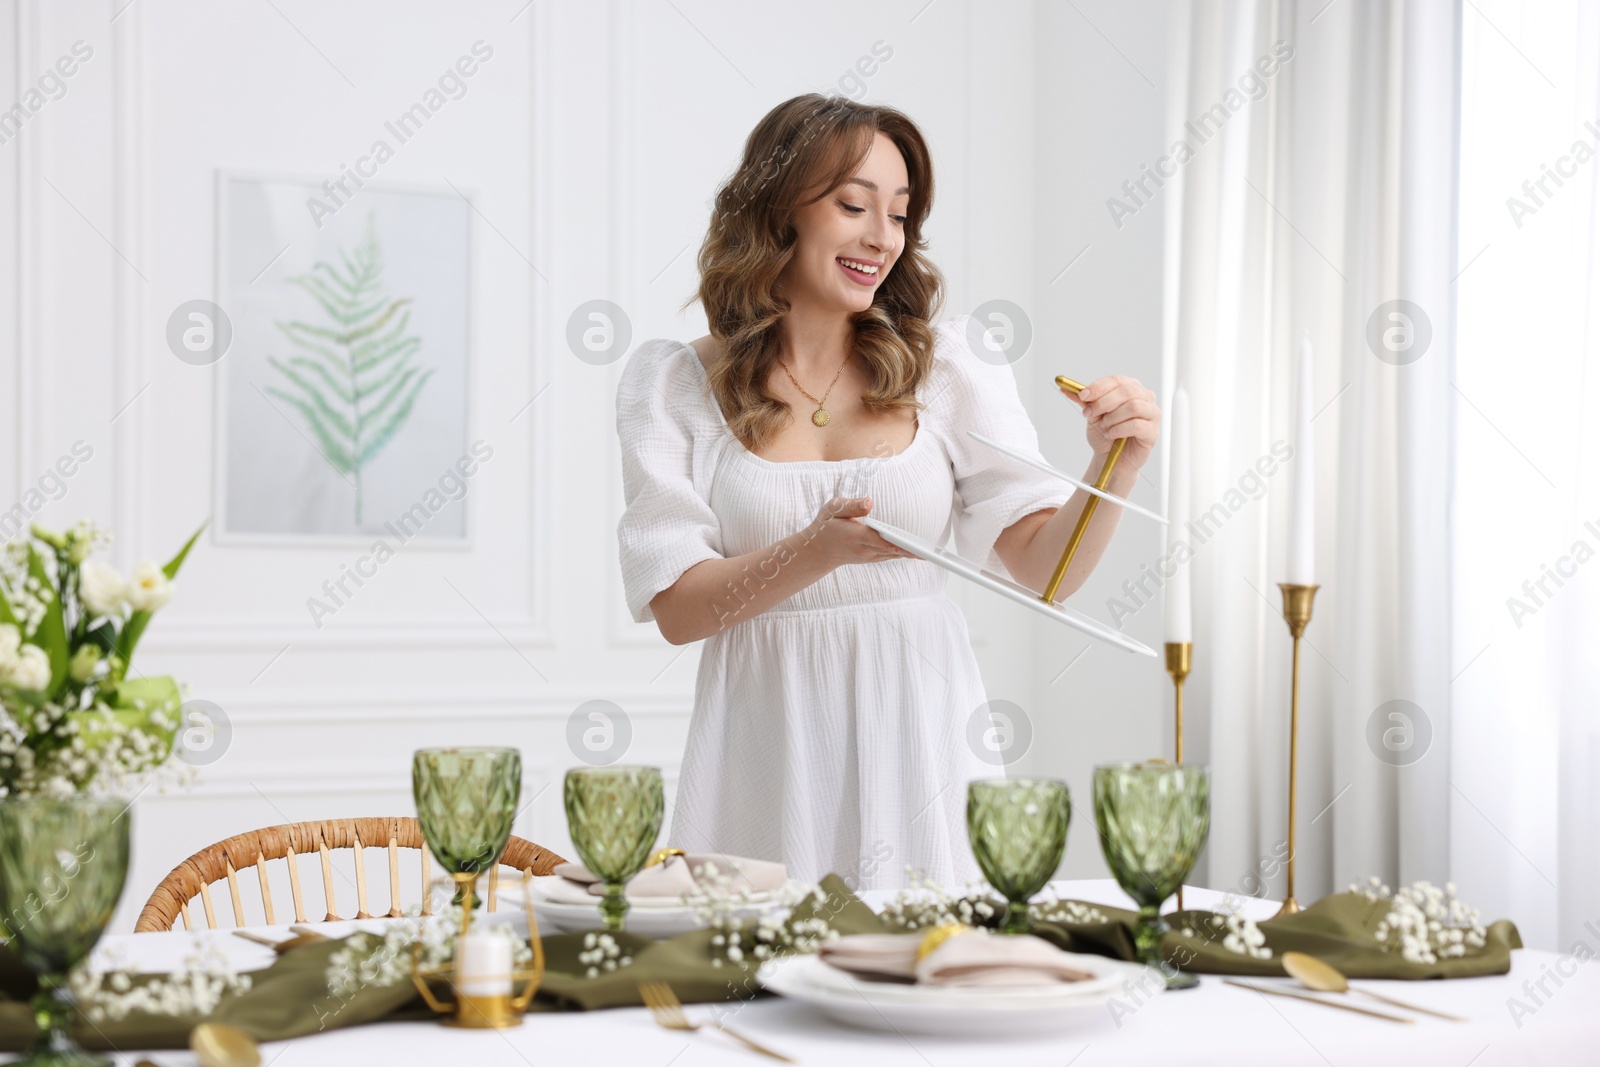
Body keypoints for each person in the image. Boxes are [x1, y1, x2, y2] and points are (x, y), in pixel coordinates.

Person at [614, 94, 1159, 890]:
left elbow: (1050, 572)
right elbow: (677, 610)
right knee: (756, 986)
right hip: (768, 742)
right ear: (777, 212)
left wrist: (1115, 469)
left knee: (930, 967)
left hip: (923, 737)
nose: (882, 237)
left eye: (901, 214)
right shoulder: (675, 383)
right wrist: (812, 551)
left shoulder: (950, 365)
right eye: (853, 204)